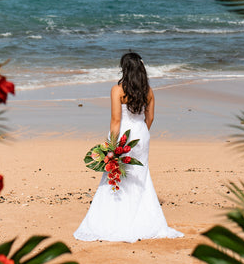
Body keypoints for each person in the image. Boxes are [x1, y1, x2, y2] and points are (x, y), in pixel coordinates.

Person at [74, 52, 183, 242]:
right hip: (141, 135)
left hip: (123, 137)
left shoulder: (117, 90)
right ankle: (141, 217)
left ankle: (116, 217)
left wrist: (112, 147)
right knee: (140, 175)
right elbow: (150, 118)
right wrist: (141, 133)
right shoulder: (148, 91)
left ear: (125, 69)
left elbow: (116, 120)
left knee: (117, 176)